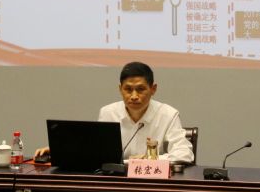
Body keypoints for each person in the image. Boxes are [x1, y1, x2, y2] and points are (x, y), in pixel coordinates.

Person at [35, 61, 194, 164]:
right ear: (120, 89)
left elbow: (184, 153)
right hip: (116, 180)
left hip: (152, 183)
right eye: (128, 89)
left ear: (153, 89)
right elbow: (96, 149)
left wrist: (151, 159)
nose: (134, 96)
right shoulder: (108, 112)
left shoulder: (168, 114)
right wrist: (60, 150)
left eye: (140, 89)